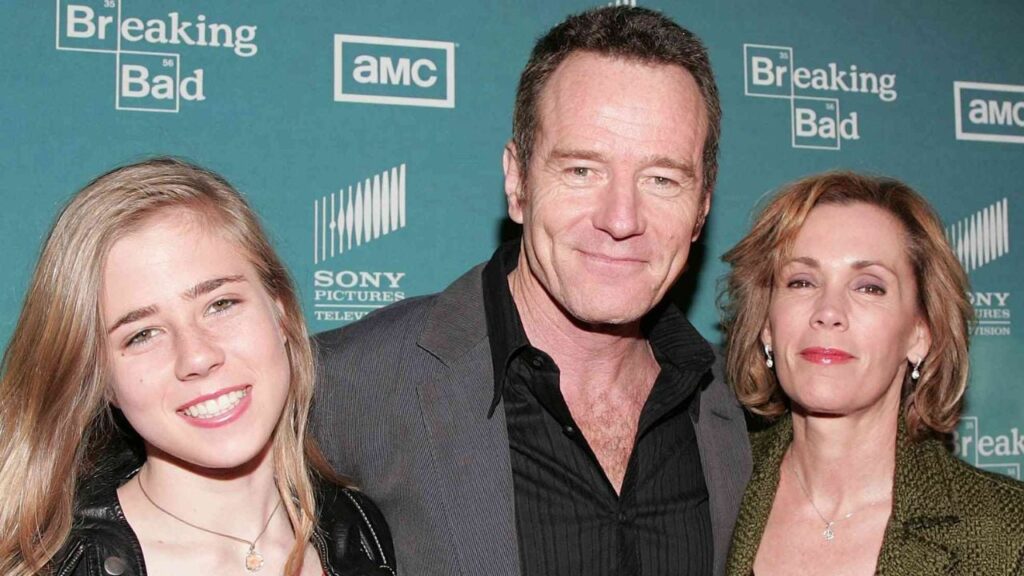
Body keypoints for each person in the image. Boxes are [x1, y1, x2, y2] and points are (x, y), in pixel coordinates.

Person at [312, 6, 751, 576]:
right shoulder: (350, 383)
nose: (621, 219)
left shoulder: (734, 406)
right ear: (517, 181)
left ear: (702, 207)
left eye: (662, 179)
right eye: (581, 170)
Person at [0, 158, 395, 576]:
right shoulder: (59, 567)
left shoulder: (368, 535)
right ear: (103, 381)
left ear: (280, 313)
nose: (197, 357)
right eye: (142, 334)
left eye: (220, 304)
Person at [720, 171, 1024, 575]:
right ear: (767, 326)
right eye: (802, 281)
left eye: (869, 287)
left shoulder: (1007, 534)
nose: (828, 311)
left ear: (920, 332)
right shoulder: (708, 492)